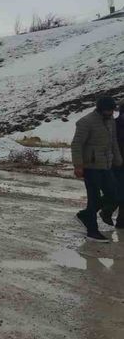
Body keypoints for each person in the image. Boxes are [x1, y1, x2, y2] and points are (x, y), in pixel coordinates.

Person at [72, 96, 123, 242]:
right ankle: (92, 232)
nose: (112, 113)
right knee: (93, 199)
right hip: (91, 166)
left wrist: (118, 159)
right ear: (102, 109)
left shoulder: (110, 121)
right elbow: (76, 144)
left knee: (114, 194)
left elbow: (113, 142)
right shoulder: (86, 122)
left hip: (106, 165)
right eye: (109, 110)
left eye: (113, 110)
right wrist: (78, 165)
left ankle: (85, 215)